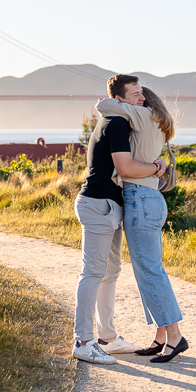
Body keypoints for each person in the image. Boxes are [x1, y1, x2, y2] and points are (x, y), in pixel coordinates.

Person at [72, 74, 169, 365]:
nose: (142, 99)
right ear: (119, 100)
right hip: (99, 204)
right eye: (136, 95)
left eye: (142, 94)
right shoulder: (116, 123)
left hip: (109, 205)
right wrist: (155, 168)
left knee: (110, 273)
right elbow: (125, 167)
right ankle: (83, 341)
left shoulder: (118, 120)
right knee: (93, 272)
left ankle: (107, 338)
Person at [95, 87, 188, 363]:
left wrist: (117, 98)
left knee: (150, 271)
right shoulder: (155, 120)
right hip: (151, 199)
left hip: (140, 198)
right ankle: (161, 336)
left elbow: (104, 106)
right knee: (148, 270)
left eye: (139, 95)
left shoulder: (140, 113)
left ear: (145, 101)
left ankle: (174, 337)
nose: (138, 99)